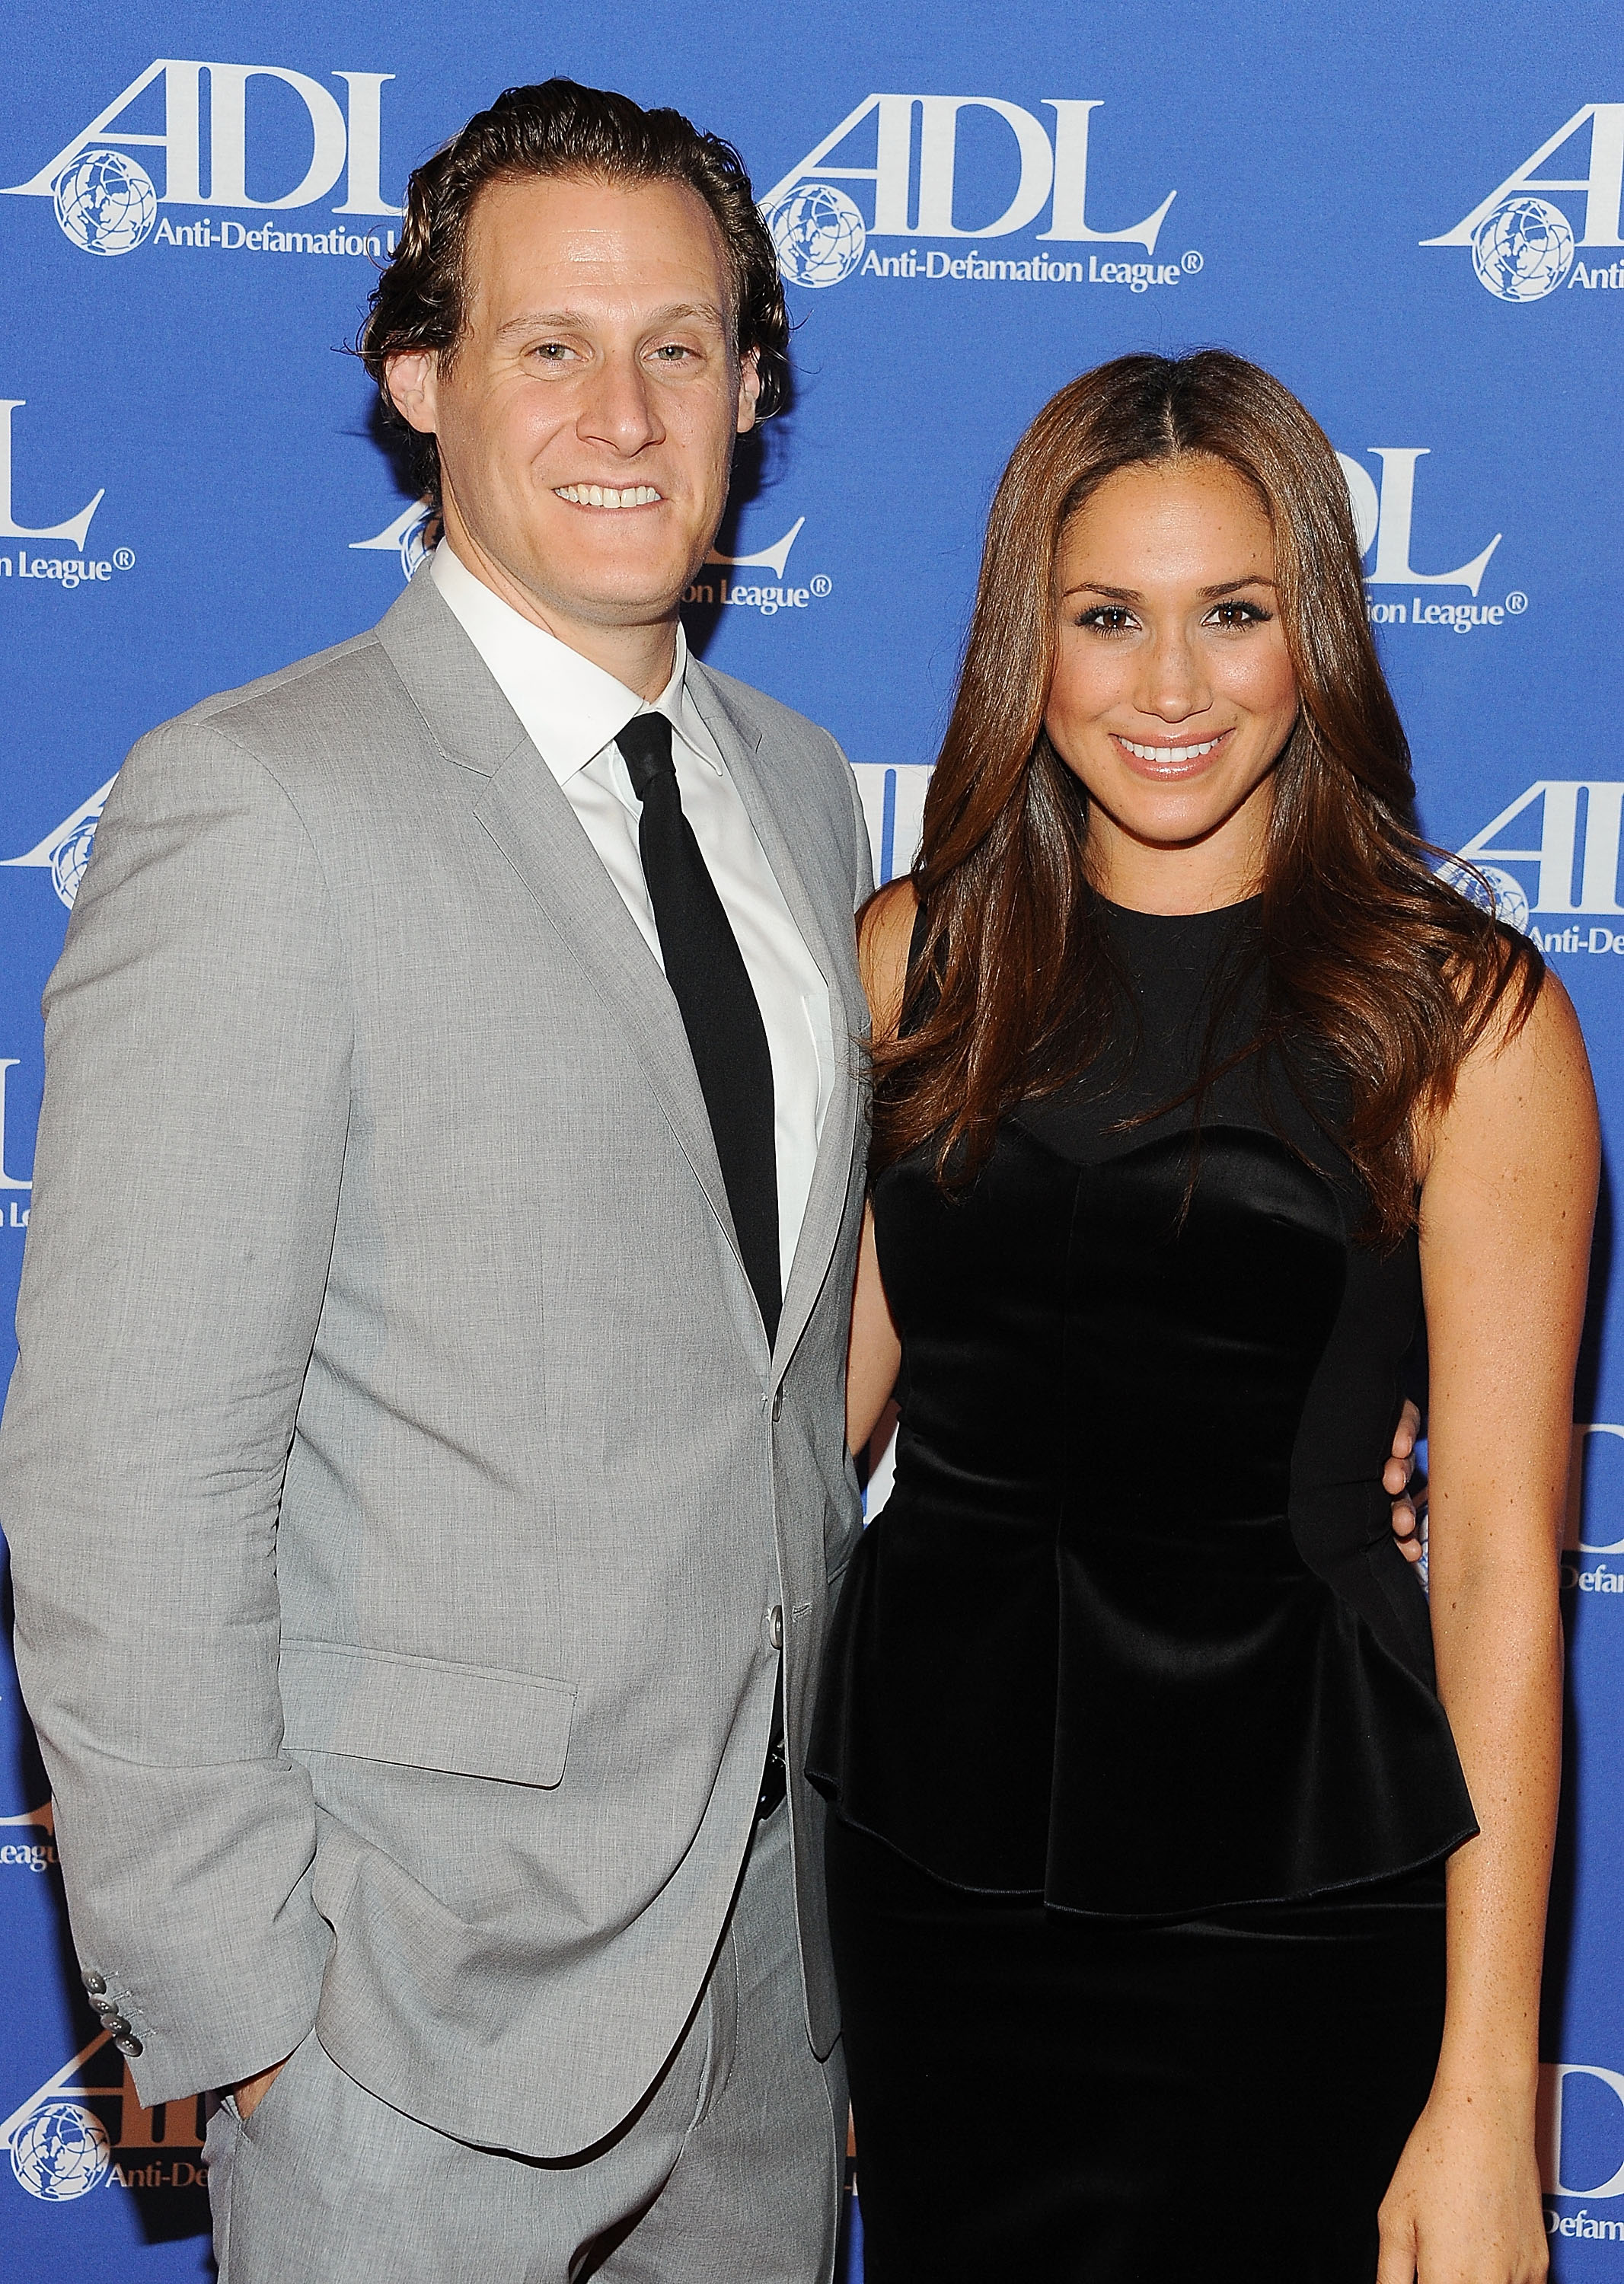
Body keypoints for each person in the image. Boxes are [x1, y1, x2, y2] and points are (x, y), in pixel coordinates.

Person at [0, 81, 874, 2284]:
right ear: (422, 381)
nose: (621, 410)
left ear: (750, 389)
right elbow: (123, 1469)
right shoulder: (256, 806)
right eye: (545, 344)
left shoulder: (797, 792)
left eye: (678, 345)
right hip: (406, 2014)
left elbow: (793, 1344)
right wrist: (240, 2009)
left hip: (769, 1985)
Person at [816, 350, 1594, 2282]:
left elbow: (1499, 1560)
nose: (1170, 688)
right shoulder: (915, 961)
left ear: (1310, 629)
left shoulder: (1462, 1020)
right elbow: (793, 1429)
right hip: (931, 1864)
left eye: (1230, 614)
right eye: (1107, 618)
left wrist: (1486, 2095)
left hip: (1302, 1881)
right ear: (1032, 642)